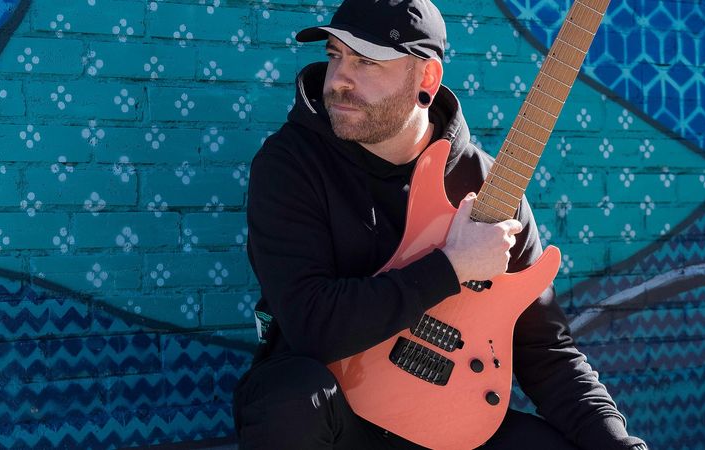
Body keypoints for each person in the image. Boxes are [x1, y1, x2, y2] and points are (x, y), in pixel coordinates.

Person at [233, 0, 648, 448]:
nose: (339, 79)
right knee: (290, 399)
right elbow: (310, 322)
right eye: (335, 55)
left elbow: (546, 353)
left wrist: (620, 443)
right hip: (337, 414)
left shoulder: (489, 187)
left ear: (426, 79)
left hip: (448, 415)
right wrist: (451, 267)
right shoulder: (291, 164)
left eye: (367, 62)